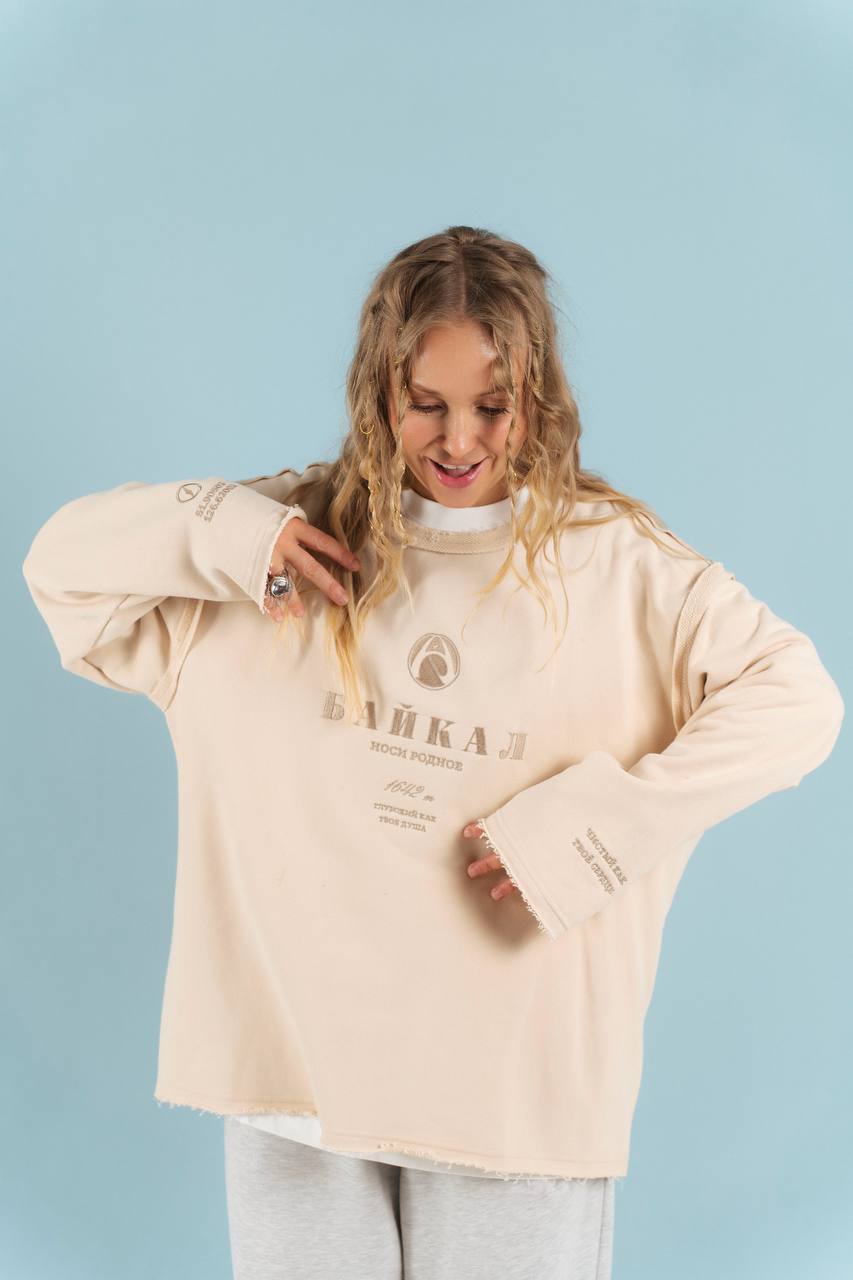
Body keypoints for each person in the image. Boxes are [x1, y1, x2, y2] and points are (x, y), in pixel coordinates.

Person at [22, 225, 844, 1280]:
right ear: (379, 390)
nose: (459, 439)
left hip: (512, 1095)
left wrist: (597, 831)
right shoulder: (286, 544)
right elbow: (63, 568)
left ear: (537, 398)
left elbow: (797, 698)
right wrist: (226, 531)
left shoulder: (619, 570)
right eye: (426, 402)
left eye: (492, 406)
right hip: (296, 1081)